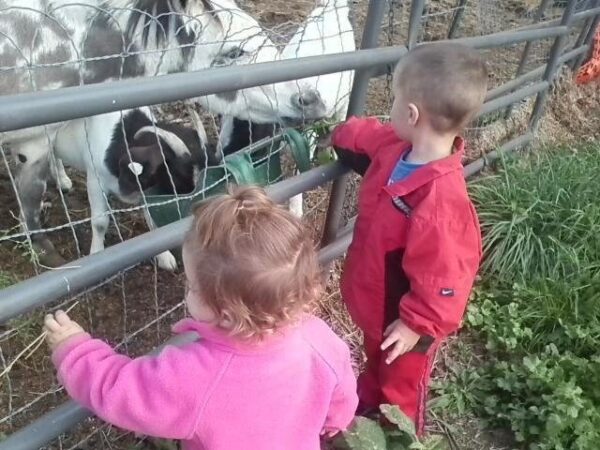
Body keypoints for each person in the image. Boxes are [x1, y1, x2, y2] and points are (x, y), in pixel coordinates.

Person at [44, 185, 358, 450]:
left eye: (191, 286)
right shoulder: (318, 338)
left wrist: (75, 350)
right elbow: (342, 393)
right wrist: (333, 421)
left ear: (224, 312)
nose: (186, 292)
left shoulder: (196, 375)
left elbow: (121, 390)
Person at [330, 42, 487, 433]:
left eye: (395, 100)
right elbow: (366, 135)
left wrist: (415, 325)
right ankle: (368, 401)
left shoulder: (442, 203)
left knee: (401, 382)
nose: (391, 109)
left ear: (412, 114)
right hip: (375, 303)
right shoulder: (397, 148)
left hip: (405, 321)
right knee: (375, 359)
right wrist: (340, 134)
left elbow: (446, 280)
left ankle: (398, 434)